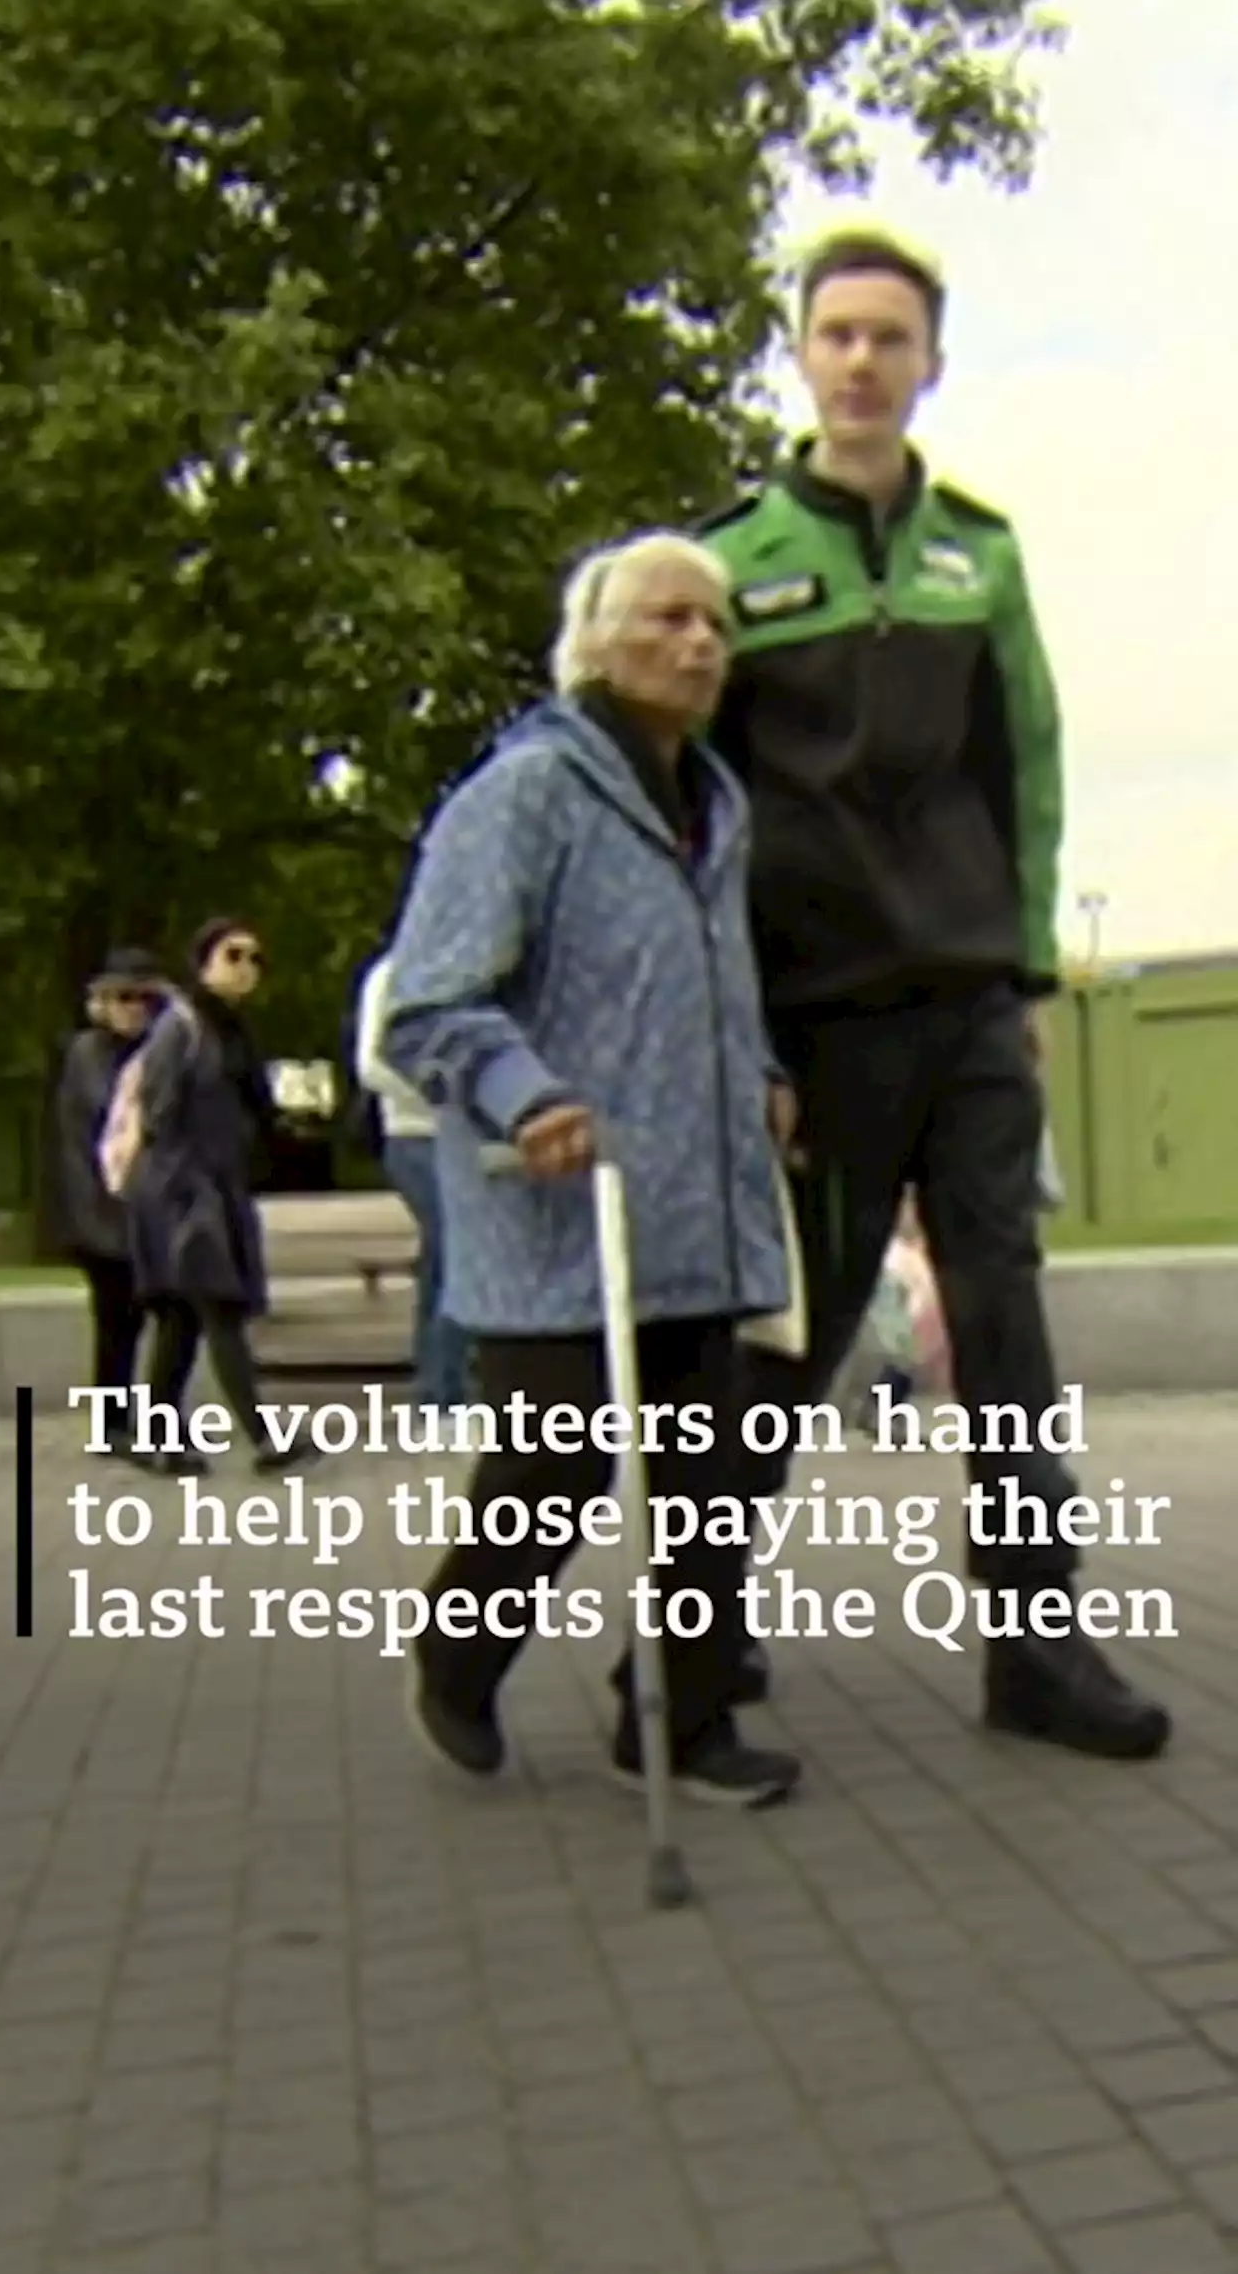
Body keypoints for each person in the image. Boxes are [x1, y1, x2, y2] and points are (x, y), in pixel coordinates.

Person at [697, 223, 1170, 1760]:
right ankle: (693, 1651)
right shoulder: (735, 563)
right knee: (795, 1335)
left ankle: (1037, 1650)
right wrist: (740, 1028)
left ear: (930, 363)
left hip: (969, 1006)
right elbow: (704, 822)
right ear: (803, 354)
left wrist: (1026, 968)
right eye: (836, 333)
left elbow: (1024, 766)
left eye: (889, 337)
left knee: (1004, 1332)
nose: (861, 361)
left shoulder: (987, 551)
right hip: (820, 1026)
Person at [383, 530, 802, 1808]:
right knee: (550, 1471)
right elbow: (431, 999)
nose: (698, 645)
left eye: (716, 625)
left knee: (713, 1475)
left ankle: (679, 1721)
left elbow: (709, 986)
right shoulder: (526, 794)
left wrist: (766, 1071)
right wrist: (526, 1095)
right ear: (594, 643)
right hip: (570, 1206)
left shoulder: (714, 808)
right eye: (668, 619)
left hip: (700, 1210)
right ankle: (456, 1659)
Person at [121, 917, 321, 1476]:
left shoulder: (232, 1031)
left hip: (217, 1187)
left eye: (255, 958)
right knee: (218, 1308)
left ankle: (158, 1439)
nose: (247, 969)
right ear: (203, 961)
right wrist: (191, 1190)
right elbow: (159, 1118)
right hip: (184, 1191)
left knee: (184, 1321)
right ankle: (264, 1437)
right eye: (233, 955)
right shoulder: (180, 1030)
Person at [355, 940, 473, 1443]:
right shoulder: (392, 974)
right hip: (413, 1133)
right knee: (452, 1248)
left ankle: (445, 1389)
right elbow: (372, 1063)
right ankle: (443, 1396)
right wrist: (438, 1091)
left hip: (462, 1135)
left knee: (447, 1258)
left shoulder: (467, 967)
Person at [53, 946, 165, 1450]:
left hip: (136, 1209)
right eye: (124, 997)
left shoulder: (152, 1051)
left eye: (145, 998)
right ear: (101, 1002)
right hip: (100, 1209)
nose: (135, 1008)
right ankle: (112, 1421)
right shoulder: (90, 1054)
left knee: (141, 1318)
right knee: (117, 1319)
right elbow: (113, 1112)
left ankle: (129, 1418)